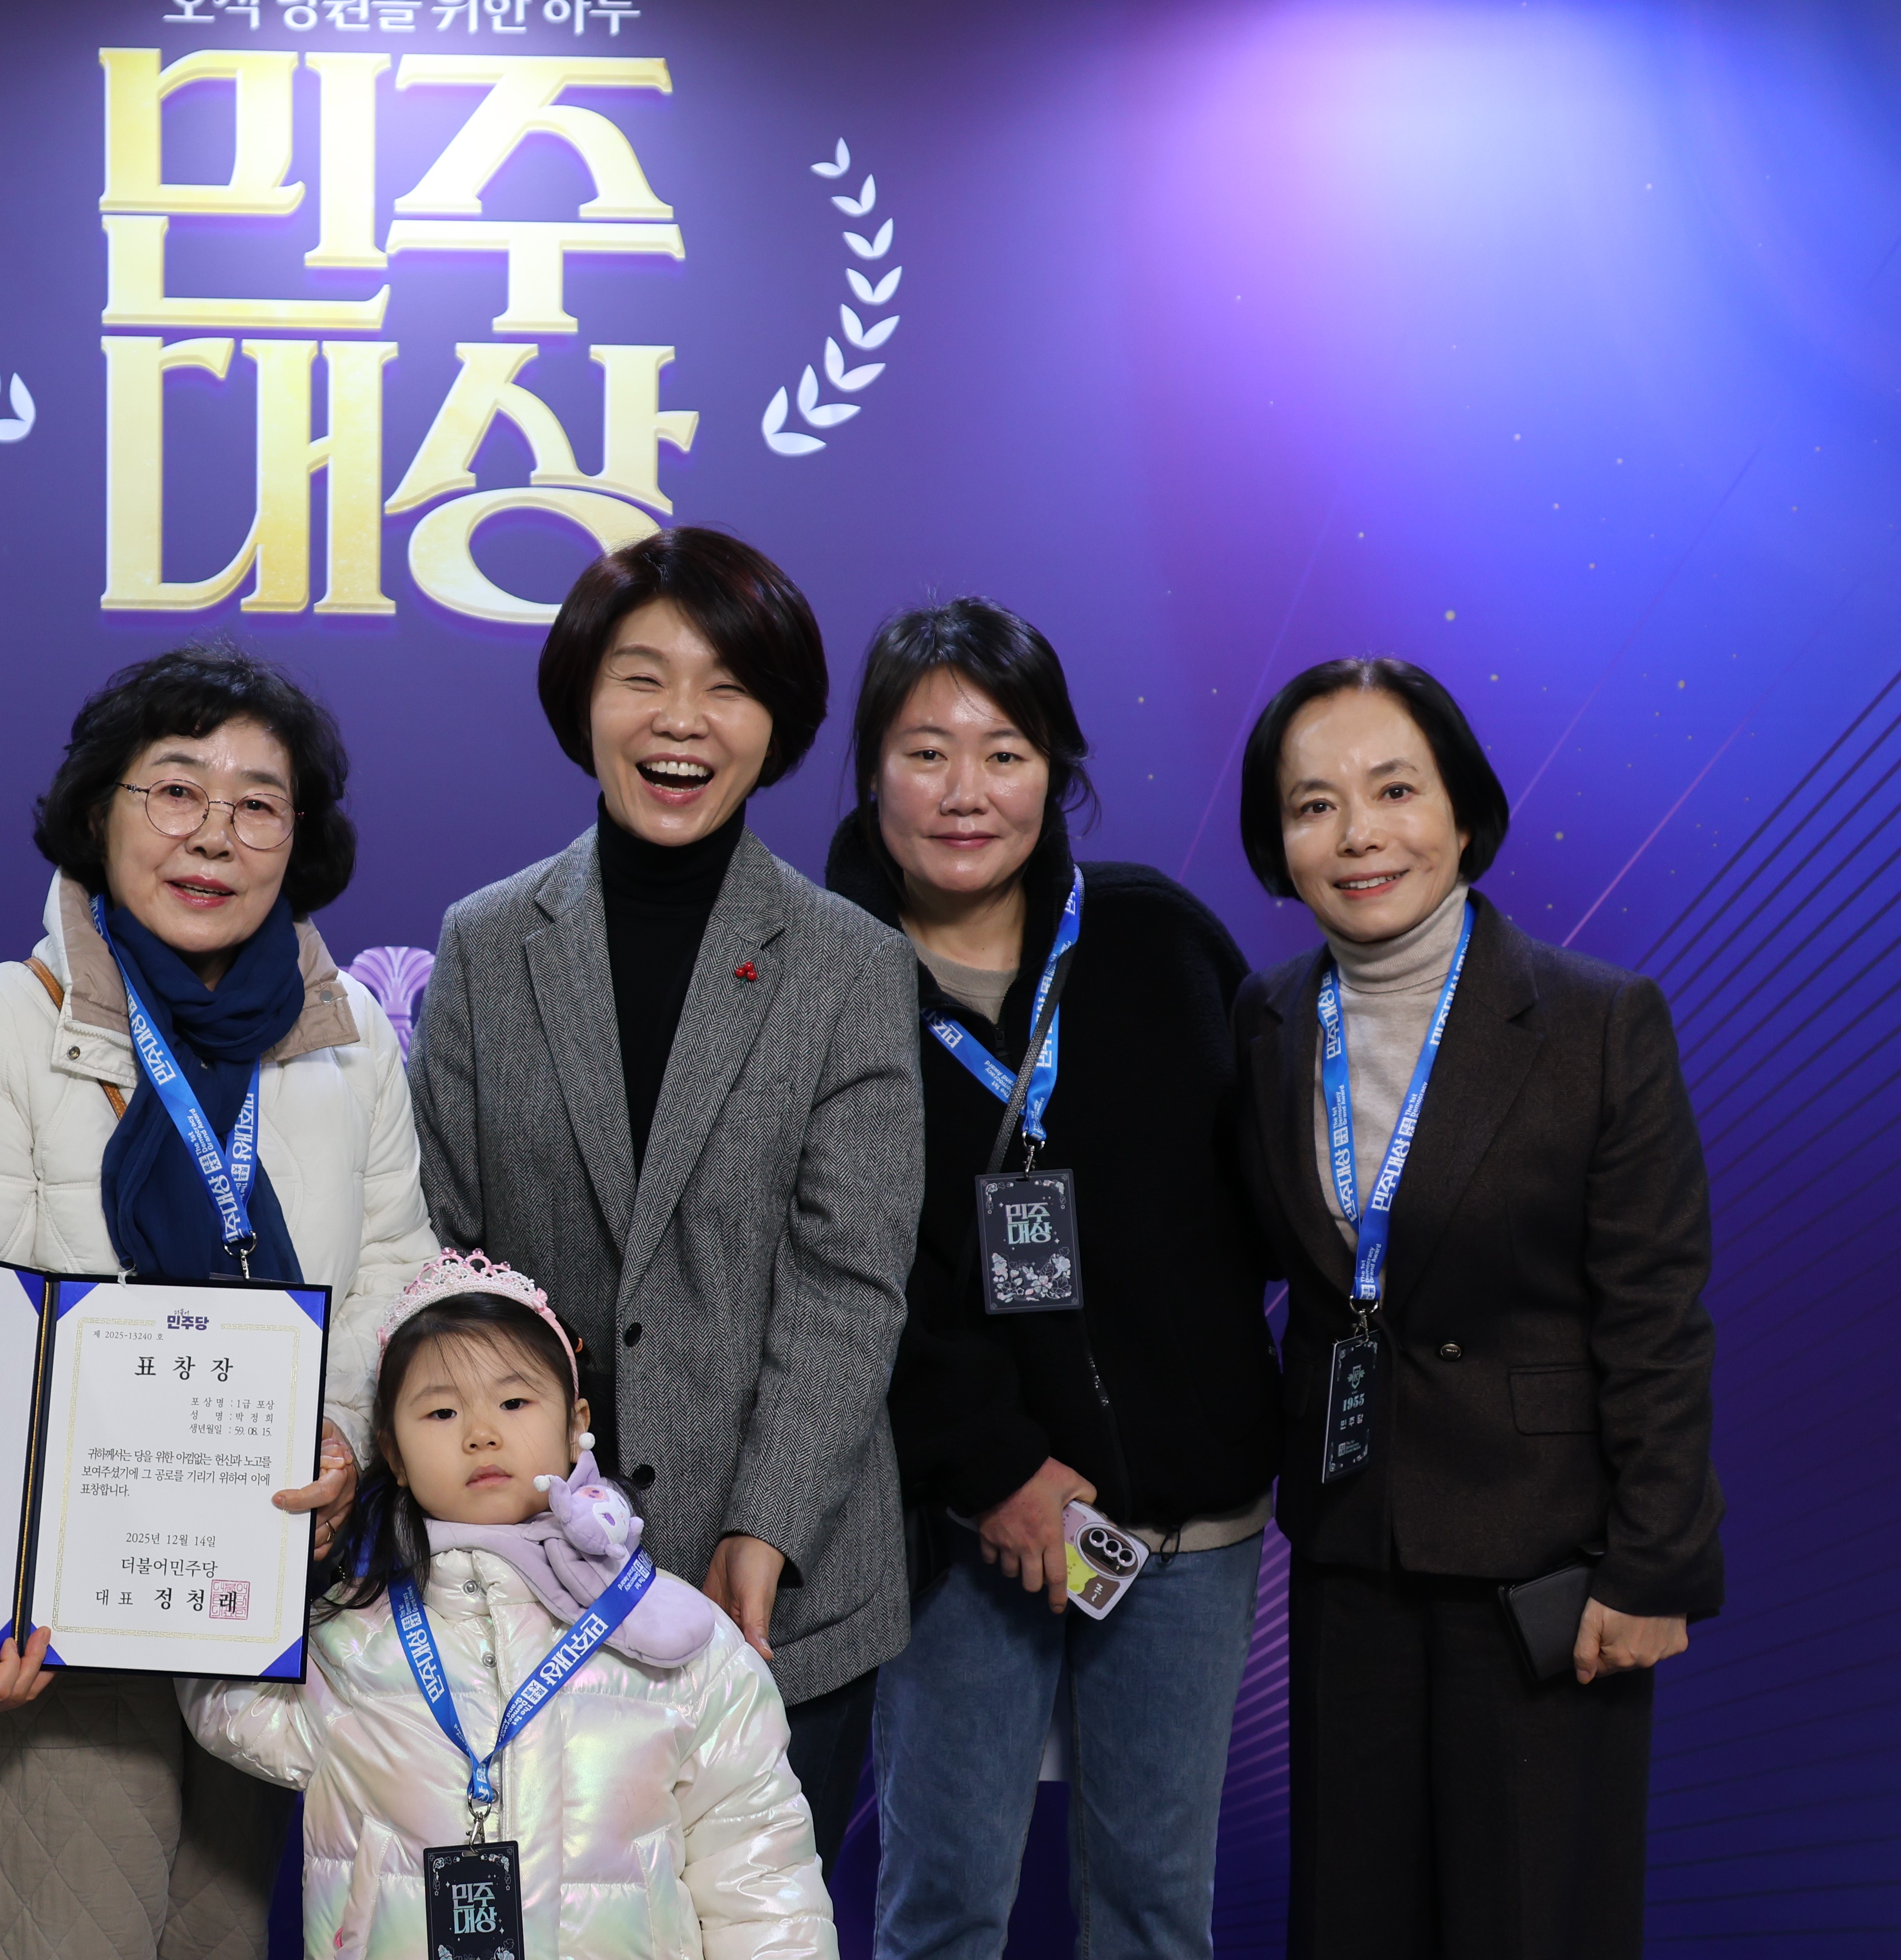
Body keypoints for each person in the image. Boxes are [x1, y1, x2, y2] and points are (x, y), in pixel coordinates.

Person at [0, 645, 437, 1960]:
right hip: (48, 1640)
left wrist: (345, 1437)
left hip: (264, 1604)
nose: (214, 835)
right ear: (100, 811)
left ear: (299, 839)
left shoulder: (350, 1041)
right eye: (176, 790)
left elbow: (393, 1279)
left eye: (259, 804)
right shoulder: (0, 1028)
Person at [406, 527, 924, 1858]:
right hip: (527, 1575)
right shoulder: (488, 945)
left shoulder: (849, 964)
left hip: (783, 1591)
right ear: (583, 699)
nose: (681, 720)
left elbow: (848, 1281)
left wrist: (765, 1524)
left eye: (727, 687)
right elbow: (447, 1262)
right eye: (641, 677)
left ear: (777, 723)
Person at [1229, 657, 1724, 1960]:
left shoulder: (1599, 1020)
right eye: (1314, 804)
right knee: (1351, 1921)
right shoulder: (1268, 1018)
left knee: (1534, 1924)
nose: (1359, 833)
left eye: (1395, 790)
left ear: (1462, 811)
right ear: (1279, 843)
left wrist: (1654, 1568)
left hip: (1548, 1570)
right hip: (1349, 1555)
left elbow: (1657, 1319)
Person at [821, 600, 1279, 1960]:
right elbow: (833, 1263)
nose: (965, 792)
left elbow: (1258, 1196)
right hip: (960, 1524)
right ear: (869, 772)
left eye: (1005, 753)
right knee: (942, 1906)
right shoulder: (816, 974)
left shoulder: (1154, 937)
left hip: (1186, 1521)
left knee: (1154, 1911)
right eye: (925, 753)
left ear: (1056, 771)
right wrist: (993, 1463)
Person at [183, 1250, 839, 1960]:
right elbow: (227, 1703)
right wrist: (222, 1537)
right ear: (392, 1453)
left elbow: (758, 1872)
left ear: (576, 1423)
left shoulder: (678, 1636)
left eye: (515, 1403)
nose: (480, 1433)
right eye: (441, 1411)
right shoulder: (344, 1635)